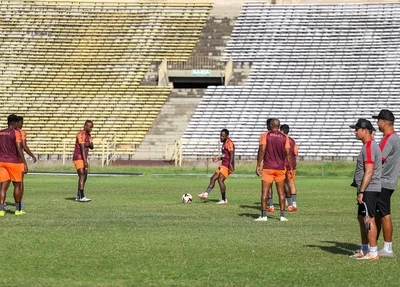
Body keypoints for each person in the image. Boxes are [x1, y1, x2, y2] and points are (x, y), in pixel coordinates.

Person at [349, 119, 381, 260]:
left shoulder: (369, 147)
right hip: (367, 188)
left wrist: (362, 191)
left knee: (369, 219)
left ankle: (373, 252)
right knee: (362, 218)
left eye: (357, 129)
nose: (355, 132)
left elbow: (369, 171)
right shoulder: (367, 146)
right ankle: (364, 248)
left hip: (369, 188)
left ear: (365, 130)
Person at [372, 109, 400, 257]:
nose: (377, 123)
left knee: (384, 214)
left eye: (378, 120)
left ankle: (388, 248)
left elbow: (378, 159)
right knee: (379, 214)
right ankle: (374, 245)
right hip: (390, 180)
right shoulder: (396, 138)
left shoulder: (388, 139)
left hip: (383, 181)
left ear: (384, 122)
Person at [255, 118, 292, 222]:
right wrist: (291, 168)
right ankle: (282, 216)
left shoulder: (265, 135)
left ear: (270, 126)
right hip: (280, 168)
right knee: (281, 192)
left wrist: (258, 164)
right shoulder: (285, 137)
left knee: (265, 192)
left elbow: (262, 150)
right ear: (279, 126)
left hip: (268, 167)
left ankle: (263, 216)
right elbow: (288, 154)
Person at [0, 114, 28, 216]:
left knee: (3, 187)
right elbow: (19, 148)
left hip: (1, 162)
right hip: (13, 162)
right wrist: (24, 163)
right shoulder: (16, 133)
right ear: (14, 123)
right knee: (17, 185)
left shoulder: (1, 132)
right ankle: (17, 210)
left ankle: (1, 210)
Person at [198, 129, 235, 204]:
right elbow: (226, 156)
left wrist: (230, 164)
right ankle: (206, 194)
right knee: (213, 178)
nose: (221, 137)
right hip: (223, 164)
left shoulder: (229, 143)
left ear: (227, 136)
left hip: (227, 165)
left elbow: (232, 154)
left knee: (220, 180)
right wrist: (219, 158)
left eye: (223, 136)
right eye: (220, 135)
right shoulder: (224, 143)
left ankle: (224, 199)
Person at [16, 116, 37, 208]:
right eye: (21, 123)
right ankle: (19, 203)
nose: (22, 125)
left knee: (4, 183)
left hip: (5, 160)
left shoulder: (4, 132)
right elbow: (24, 146)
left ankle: (2, 203)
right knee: (20, 183)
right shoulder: (21, 133)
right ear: (18, 122)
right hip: (18, 160)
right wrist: (32, 155)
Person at [73, 120, 94, 202]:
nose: (91, 128)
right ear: (85, 126)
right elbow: (82, 148)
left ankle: (78, 195)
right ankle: (81, 196)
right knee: (82, 175)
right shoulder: (81, 134)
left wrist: (88, 144)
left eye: (92, 127)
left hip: (84, 158)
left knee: (85, 176)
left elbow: (92, 146)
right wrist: (85, 161)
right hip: (78, 157)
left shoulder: (89, 135)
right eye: (90, 127)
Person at [280, 124, 298, 212]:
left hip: (283, 164)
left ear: (282, 131)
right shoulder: (292, 141)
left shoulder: (281, 140)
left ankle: (288, 202)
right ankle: (294, 203)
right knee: (292, 183)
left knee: (283, 184)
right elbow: (296, 152)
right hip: (292, 165)